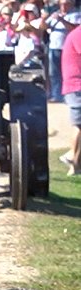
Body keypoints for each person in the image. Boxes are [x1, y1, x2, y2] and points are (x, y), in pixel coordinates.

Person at [59, 17, 81, 176]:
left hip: (74, 84)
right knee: (79, 125)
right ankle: (72, 157)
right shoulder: (79, 34)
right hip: (77, 85)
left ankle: (75, 165)